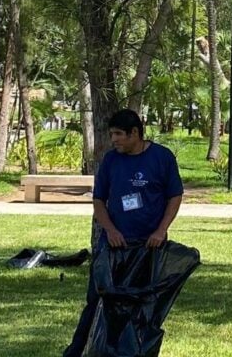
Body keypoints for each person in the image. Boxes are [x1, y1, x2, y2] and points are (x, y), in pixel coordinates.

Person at [63, 109, 184, 357]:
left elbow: (175, 196)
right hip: (114, 247)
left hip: (148, 248)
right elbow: (99, 201)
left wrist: (161, 230)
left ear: (135, 133)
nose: (114, 140)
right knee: (97, 301)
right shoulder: (111, 160)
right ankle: (81, 351)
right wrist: (111, 231)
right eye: (112, 134)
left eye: (119, 134)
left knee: (140, 307)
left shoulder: (162, 157)